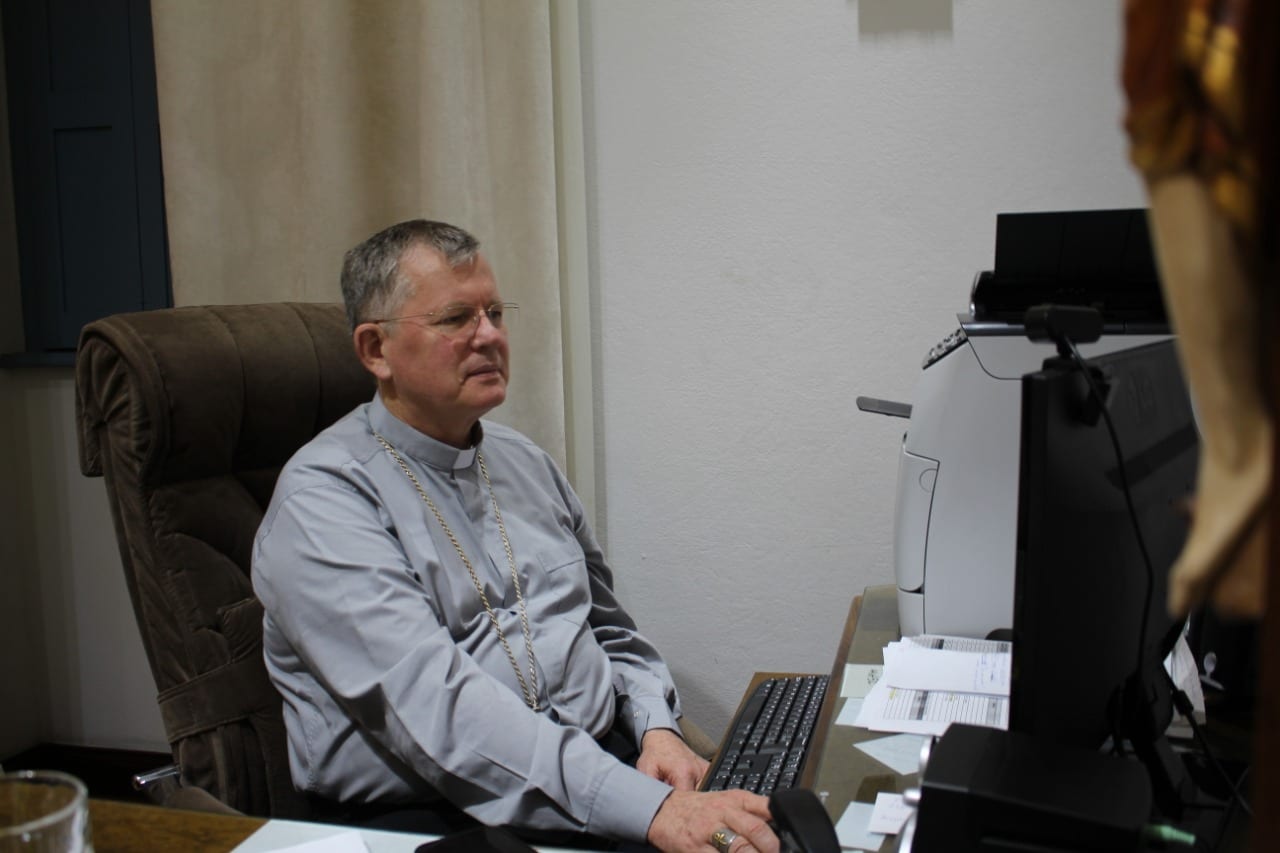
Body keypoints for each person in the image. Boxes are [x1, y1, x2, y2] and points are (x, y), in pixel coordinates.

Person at [252, 219, 779, 853]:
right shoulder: (324, 502)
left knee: (798, 825)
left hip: (605, 772)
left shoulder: (524, 462)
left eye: (495, 313)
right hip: (443, 816)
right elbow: (442, 719)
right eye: (456, 319)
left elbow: (609, 631)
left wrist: (656, 727)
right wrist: (654, 810)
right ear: (375, 350)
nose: (490, 336)